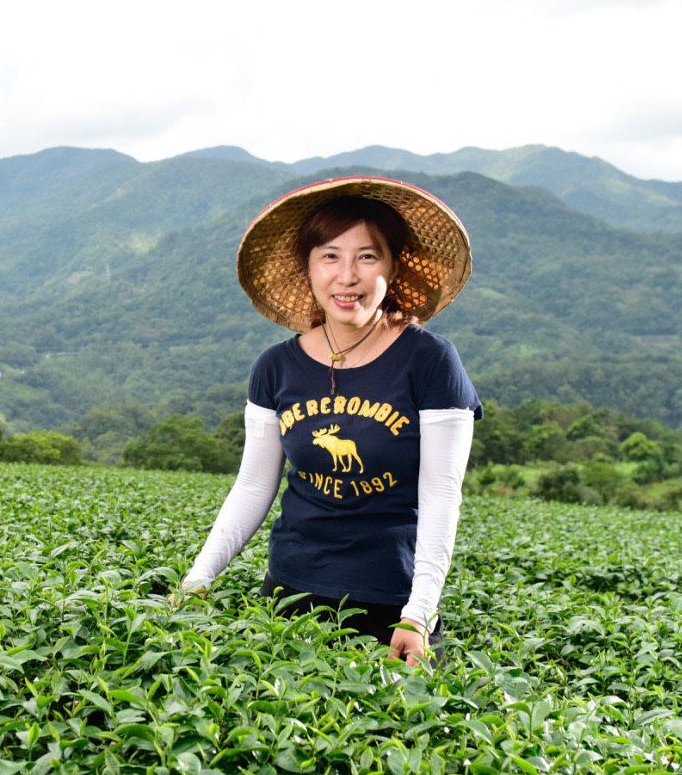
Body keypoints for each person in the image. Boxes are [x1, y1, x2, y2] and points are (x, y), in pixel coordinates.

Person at [175, 176, 480, 667]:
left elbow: (442, 494)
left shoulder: (431, 361)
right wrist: (199, 577)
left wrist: (419, 613)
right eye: (330, 256)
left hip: (393, 606)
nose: (347, 276)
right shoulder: (275, 367)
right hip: (290, 597)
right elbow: (254, 486)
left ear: (393, 266)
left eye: (367, 256)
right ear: (309, 268)